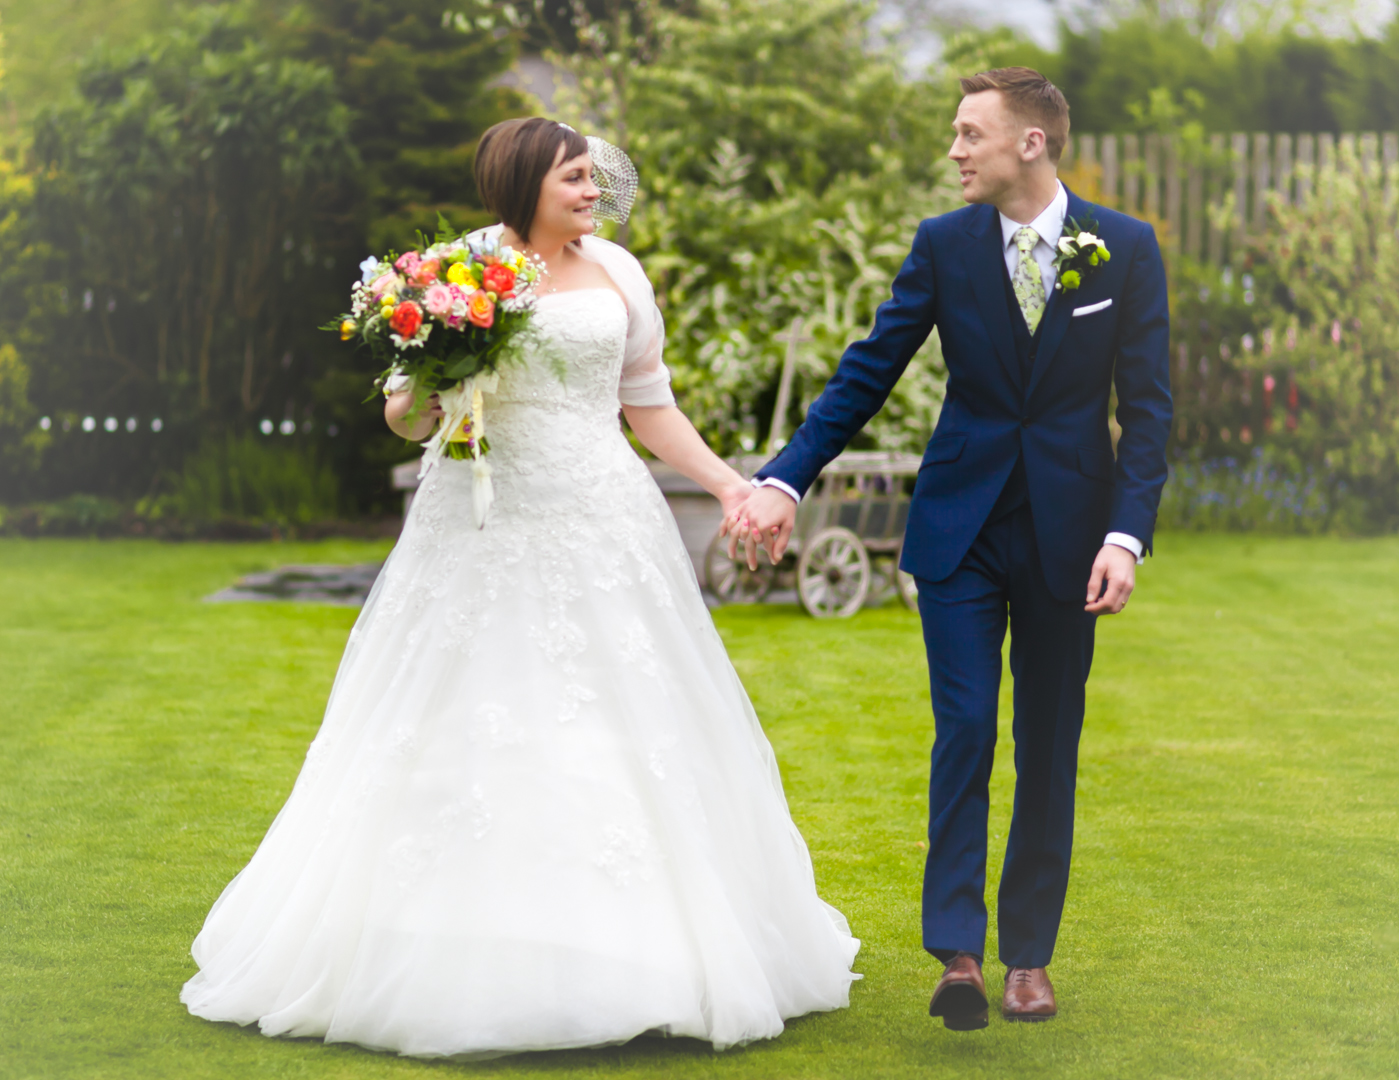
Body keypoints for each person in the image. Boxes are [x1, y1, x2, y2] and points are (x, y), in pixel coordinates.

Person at [181, 117, 859, 1058]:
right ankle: (460, 945)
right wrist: (430, 372)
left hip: (601, 514)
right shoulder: (453, 273)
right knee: (466, 713)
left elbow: (647, 405)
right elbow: (402, 415)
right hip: (479, 518)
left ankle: (640, 955)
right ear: (524, 182)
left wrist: (729, 484)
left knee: (624, 723)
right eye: (575, 179)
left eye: (593, 178)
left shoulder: (620, 272)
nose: (593, 193)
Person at [724, 68, 1171, 1029]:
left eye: (971, 133)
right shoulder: (944, 245)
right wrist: (782, 477)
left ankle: (1029, 960)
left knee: (1048, 746)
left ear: (1030, 144)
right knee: (964, 729)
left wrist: (1125, 537)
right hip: (958, 530)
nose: (955, 150)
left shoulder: (1122, 250)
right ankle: (958, 954)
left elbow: (1149, 411)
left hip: (1071, 540)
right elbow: (866, 371)